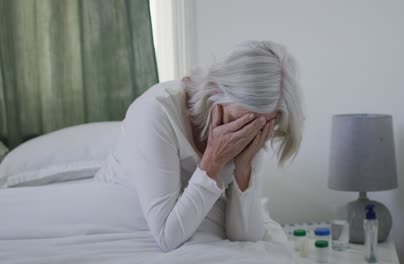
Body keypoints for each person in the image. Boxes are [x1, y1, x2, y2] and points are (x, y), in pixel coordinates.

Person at [95, 40, 305, 252]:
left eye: (260, 126)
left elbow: (245, 237)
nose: (246, 136)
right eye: (240, 122)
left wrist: (244, 167)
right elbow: (167, 237)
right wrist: (214, 158)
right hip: (120, 196)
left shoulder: (254, 127)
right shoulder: (156, 114)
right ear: (214, 92)